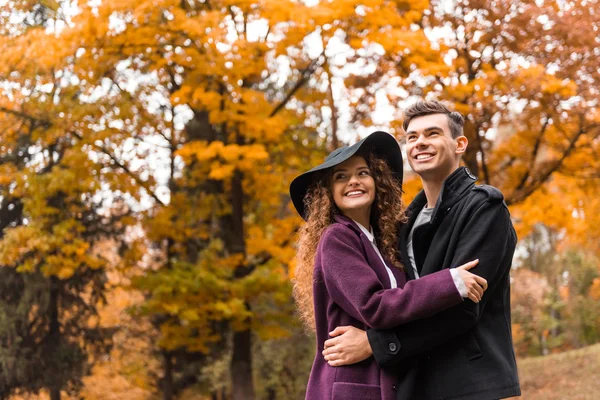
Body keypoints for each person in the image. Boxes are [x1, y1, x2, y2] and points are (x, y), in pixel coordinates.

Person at [322, 101, 521, 400]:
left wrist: (375, 344)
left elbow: (463, 306)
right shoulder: (405, 223)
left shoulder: (483, 208)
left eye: (432, 133)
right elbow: (402, 300)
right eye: (412, 137)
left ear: (459, 144)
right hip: (416, 384)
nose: (420, 143)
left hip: (470, 384)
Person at [289, 131, 488, 400]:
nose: (354, 182)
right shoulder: (337, 238)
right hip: (352, 386)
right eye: (341, 177)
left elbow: (406, 311)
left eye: (363, 173)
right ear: (328, 193)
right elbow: (375, 306)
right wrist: (450, 282)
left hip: (390, 384)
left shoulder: (382, 242)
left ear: (376, 181)